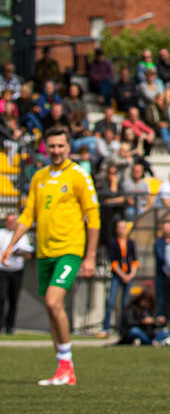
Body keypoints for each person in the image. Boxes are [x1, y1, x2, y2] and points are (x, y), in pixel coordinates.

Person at [0, 127, 99, 386]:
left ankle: (66, 365)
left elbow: (93, 217)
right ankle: (63, 368)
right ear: (46, 148)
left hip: (69, 250)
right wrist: (10, 245)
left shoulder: (79, 175)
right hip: (45, 252)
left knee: (54, 303)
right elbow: (28, 214)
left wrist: (90, 256)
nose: (56, 151)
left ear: (68, 147)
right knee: (51, 308)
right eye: (52, 146)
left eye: (60, 146)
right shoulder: (39, 177)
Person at [101, 219, 138, 338]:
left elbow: (135, 260)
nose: (122, 230)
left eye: (123, 228)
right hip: (117, 275)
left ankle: (122, 328)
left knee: (125, 304)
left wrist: (131, 274)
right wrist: (122, 274)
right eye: (119, 228)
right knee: (111, 302)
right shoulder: (113, 242)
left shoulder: (131, 243)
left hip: (128, 275)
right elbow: (113, 262)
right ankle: (106, 327)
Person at [0, 212, 35, 334]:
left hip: (17, 270)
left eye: (13, 221)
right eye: (9, 221)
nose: (11, 224)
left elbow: (28, 255)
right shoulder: (1, 233)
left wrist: (21, 253)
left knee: (13, 299)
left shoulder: (22, 236)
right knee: (1, 297)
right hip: (2, 270)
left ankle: (10, 326)